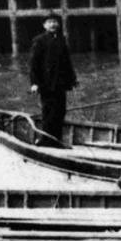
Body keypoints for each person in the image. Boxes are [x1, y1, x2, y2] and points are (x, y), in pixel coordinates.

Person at [28, 12, 77, 147]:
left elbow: (67, 62)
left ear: (59, 24)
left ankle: (57, 141)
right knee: (48, 113)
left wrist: (72, 79)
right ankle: (46, 141)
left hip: (60, 84)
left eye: (55, 22)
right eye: (49, 22)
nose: (52, 25)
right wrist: (34, 83)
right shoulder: (39, 40)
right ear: (44, 25)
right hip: (46, 84)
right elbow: (33, 64)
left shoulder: (61, 39)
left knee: (60, 112)